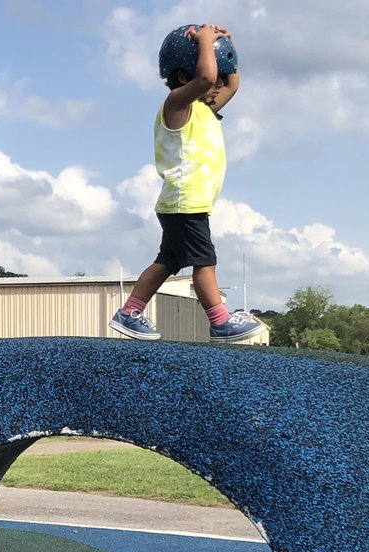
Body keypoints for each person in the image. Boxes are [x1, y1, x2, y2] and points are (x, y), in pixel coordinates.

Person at [109, 23, 266, 343]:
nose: (218, 84)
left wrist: (227, 49)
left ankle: (129, 312)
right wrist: (206, 42)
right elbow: (207, 78)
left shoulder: (207, 108)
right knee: (204, 260)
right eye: (214, 76)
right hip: (184, 201)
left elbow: (231, 85)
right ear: (184, 77)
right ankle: (219, 321)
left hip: (184, 203)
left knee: (168, 260)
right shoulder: (177, 106)